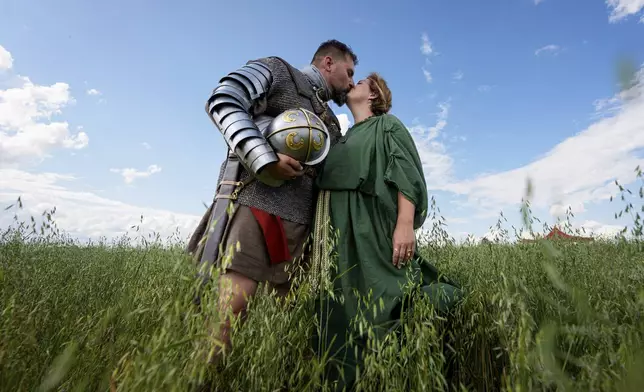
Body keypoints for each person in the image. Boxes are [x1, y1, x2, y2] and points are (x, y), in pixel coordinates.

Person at [185, 39, 358, 360]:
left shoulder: (331, 121)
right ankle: (198, 379)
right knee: (229, 316)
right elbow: (224, 98)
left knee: (286, 329)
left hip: (304, 226)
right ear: (328, 63)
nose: (350, 83)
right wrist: (264, 158)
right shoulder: (280, 71)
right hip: (259, 208)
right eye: (348, 73)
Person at [310, 73, 463, 390]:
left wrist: (405, 224)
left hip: (369, 225)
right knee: (338, 309)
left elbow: (404, 171)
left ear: (374, 95)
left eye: (362, 81)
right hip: (335, 231)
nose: (354, 82)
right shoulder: (341, 137)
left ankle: (402, 372)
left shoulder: (387, 126)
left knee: (384, 299)